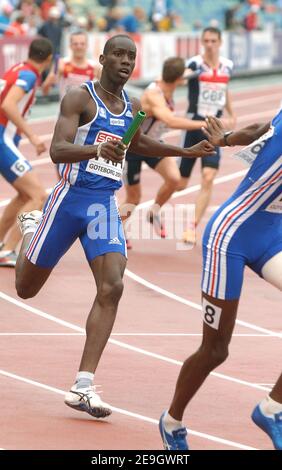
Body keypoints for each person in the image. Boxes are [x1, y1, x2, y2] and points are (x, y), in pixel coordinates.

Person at [15, 34, 215, 419]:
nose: (125, 61)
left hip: (103, 206)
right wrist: (95, 149)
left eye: (131, 57)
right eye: (119, 55)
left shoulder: (133, 106)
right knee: (25, 288)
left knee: (113, 284)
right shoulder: (79, 97)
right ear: (103, 58)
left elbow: (140, 143)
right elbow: (58, 149)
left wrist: (185, 151)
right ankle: (30, 228)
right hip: (68, 202)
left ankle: (83, 384)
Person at [159, 115, 282, 450]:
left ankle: (272, 408)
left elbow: (264, 130)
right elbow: (266, 132)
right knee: (215, 350)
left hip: (272, 234)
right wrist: (228, 139)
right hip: (230, 237)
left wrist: (227, 138)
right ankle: (172, 420)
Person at [121, 57, 206, 248]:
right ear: (177, 79)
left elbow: (179, 72)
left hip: (152, 145)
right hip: (134, 147)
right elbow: (171, 121)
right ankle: (114, 230)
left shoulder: (168, 82)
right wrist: (204, 123)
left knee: (174, 179)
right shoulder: (154, 94)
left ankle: (154, 212)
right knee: (133, 198)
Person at [178, 27, 236, 245]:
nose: (209, 44)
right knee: (180, 182)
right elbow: (181, 79)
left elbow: (224, 89)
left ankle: (191, 228)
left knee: (208, 177)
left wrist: (231, 111)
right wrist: (180, 76)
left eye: (213, 40)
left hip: (214, 129)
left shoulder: (228, 65)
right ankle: (155, 206)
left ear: (220, 42)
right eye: (206, 41)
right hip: (193, 127)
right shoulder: (194, 63)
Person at [0, 37, 53, 267]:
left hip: (5, 138)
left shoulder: (18, 68)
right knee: (38, 196)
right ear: (49, 59)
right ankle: (8, 250)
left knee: (24, 194)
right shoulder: (29, 75)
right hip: (3, 139)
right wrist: (32, 136)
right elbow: (8, 105)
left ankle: (3, 245)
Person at [42, 30, 99, 101]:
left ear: (87, 46)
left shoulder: (94, 67)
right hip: (65, 110)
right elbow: (45, 92)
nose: (79, 47)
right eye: (75, 44)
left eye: (82, 44)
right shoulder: (62, 63)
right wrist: (48, 82)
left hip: (86, 111)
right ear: (70, 46)